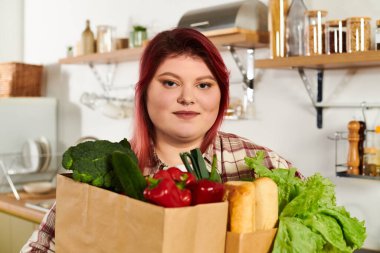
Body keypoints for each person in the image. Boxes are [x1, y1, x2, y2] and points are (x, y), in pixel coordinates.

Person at [21, 27, 293, 252]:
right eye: (170, 83)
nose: (188, 97)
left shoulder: (265, 166)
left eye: (203, 85)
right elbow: (39, 247)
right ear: (144, 93)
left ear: (221, 95)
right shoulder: (103, 175)